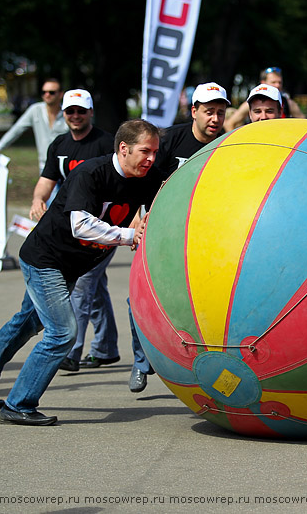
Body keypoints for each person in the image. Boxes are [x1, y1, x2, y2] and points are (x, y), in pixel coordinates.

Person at [0, 120, 162, 425]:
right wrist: (127, 235)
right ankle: (18, 404)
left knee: (28, 322)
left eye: (155, 152)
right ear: (123, 149)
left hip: (72, 265)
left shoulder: (145, 178)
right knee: (62, 333)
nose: (150, 158)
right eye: (144, 151)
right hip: (45, 259)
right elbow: (79, 224)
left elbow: (153, 210)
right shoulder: (90, 173)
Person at [129, 83, 229, 393]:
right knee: (140, 296)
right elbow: (140, 177)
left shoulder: (229, 144)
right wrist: (136, 218)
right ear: (194, 111)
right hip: (162, 227)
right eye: (209, 111)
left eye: (221, 113)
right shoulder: (170, 139)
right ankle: (140, 361)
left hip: (206, 234)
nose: (215, 118)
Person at [29, 89, 117, 372]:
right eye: (70, 111)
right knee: (95, 287)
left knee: (81, 285)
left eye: (81, 111)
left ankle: (72, 351)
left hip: (100, 226)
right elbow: (47, 179)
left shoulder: (105, 143)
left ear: (91, 112)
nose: (75, 116)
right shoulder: (59, 144)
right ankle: (105, 348)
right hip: (70, 227)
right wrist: (38, 199)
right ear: (64, 114)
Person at [0, 78, 68, 173]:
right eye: (44, 92)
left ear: (61, 94)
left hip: (66, 165)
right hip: (45, 166)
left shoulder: (69, 113)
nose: (47, 95)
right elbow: (16, 129)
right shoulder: (35, 110)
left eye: (52, 92)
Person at [223, 67, 304, 131]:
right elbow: (229, 124)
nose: (278, 85)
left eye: (280, 82)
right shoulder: (250, 102)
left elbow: (306, 126)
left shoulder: (288, 103)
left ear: (280, 112)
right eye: (273, 82)